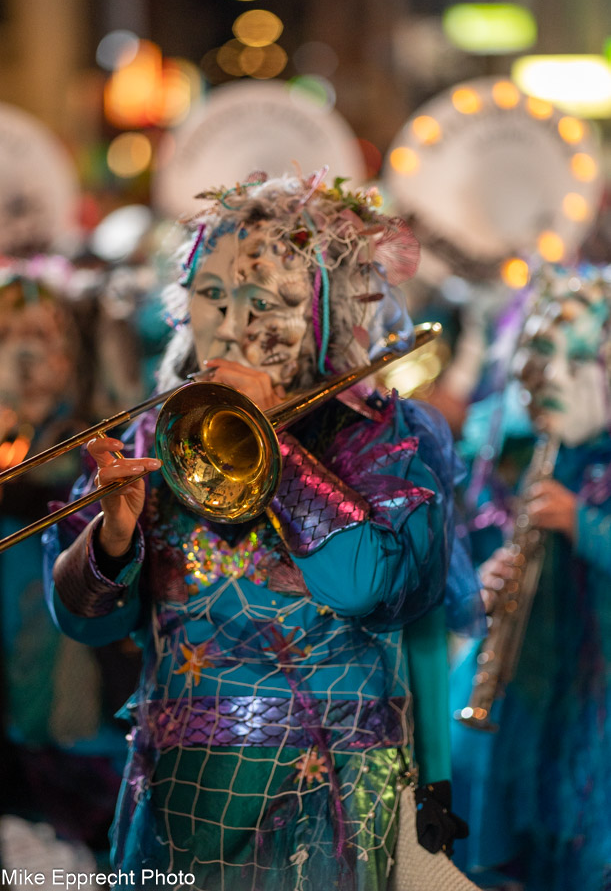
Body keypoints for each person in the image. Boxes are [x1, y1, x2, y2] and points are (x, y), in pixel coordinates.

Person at [45, 172, 476, 890]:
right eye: (211, 295)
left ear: (321, 317)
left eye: (264, 301)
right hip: (181, 796)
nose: (233, 324)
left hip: (329, 798)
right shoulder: (155, 433)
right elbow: (85, 626)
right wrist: (112, 539)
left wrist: (278, 450)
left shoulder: (382, 438)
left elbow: (379, 593)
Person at [0, 275, 130, 872]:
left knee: (114, 858)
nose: (25, 355)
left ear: (74, 358)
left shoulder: (104, 460)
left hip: (79, 720)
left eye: (42, 336)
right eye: (7, 337)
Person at [450, 265, 611, 891]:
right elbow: (472, 549)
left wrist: (586, 526)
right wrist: (488, 581)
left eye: (579, 365)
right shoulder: (529, 455)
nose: (558, 387)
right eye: (549, 368)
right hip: (537, 698)